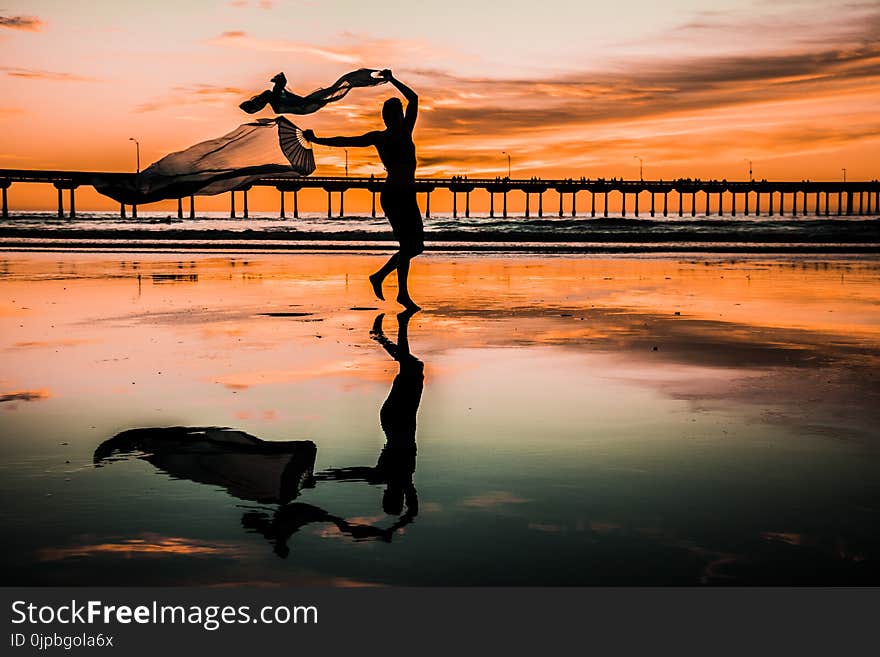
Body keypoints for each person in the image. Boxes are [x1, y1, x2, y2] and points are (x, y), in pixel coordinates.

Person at [303, 70, 424, 310]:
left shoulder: (403, 131)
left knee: (416, 246)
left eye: (400, 113)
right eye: (395, 114)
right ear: (389, 118)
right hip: (395, 196)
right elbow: (345, 140)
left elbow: (414, 100)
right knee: (408, 246)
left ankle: (379, 277)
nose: (400, 116)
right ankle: (401, 293)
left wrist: (392, 80)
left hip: (406, 194)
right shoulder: (383, 137)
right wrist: (317, 140)